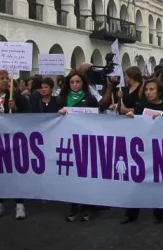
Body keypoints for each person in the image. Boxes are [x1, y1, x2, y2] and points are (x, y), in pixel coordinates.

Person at [0, 70, 31, 220]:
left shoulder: (17, 97)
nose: (5, 81)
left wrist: (15, 109)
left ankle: (19, 203)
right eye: (2, 78)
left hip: (13, 139)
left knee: (15, 171)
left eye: (7, 78)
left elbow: (30, 115)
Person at [122, 78, 163, 224]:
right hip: (142, 149)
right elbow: (133, 119)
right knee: (136, 181)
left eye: (152, 89)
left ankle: (159, 214)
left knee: (158, 182)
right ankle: (132, 213)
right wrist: (130, 116)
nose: (148, 92)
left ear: (159, 91)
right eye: (146, 89)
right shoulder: (141, 106)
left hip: (159, 149)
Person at [57, 70, 99, 222]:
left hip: (86, 141)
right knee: (72, 175)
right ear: (68, 84)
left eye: (78, 82)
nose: (75, 85)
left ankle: (87, 207)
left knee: (85, 174)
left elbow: (98, 116)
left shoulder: (90, 98)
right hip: (68, 141)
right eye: (72, 82)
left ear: (83, 83)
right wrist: (59, 114)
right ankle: (74, 207)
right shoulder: (62, 98)